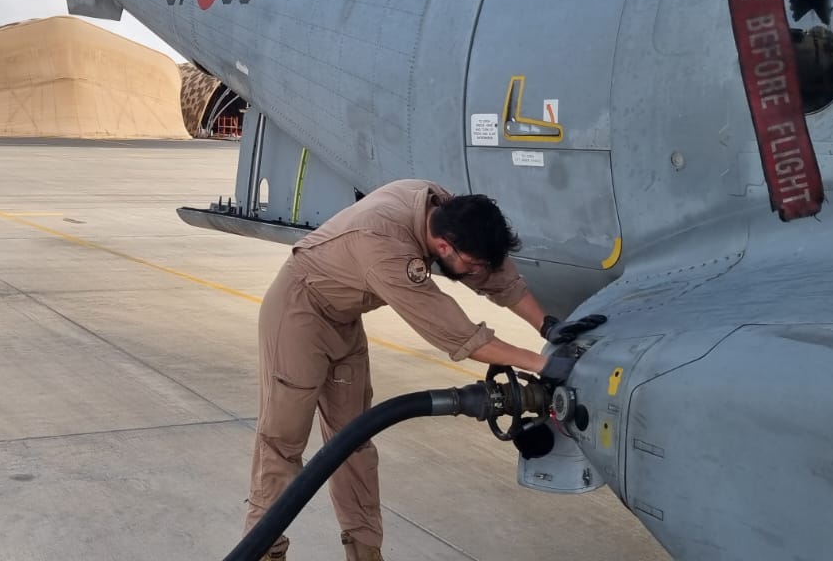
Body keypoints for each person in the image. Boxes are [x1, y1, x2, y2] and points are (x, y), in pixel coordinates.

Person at [243, 179, 604, 561]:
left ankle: (365, 553)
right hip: (298, 313)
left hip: (343, 320)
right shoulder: (387, 250)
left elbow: (495, 274)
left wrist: (547, 326)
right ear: (444, 248)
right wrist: (542, 363)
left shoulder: (442, 207)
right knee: (282, 443)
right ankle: (263, 552)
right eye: (472, 265)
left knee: (353, 444)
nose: (477, 272)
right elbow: (462, 337)